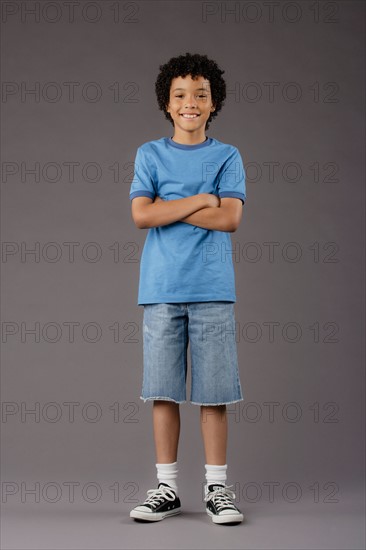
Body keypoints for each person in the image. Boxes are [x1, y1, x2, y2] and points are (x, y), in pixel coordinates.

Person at [128, 52, 246, 525]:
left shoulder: (228, 156)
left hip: (213, 289)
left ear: (213, 103)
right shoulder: (149, 154)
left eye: (200, 94)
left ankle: (217, 487)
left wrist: (168, 204)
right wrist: (200, 199)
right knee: (163, 391)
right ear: (167, 103)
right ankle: (167, 488)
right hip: (160, 288)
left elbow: (231, 218)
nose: (190, 102)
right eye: (181, 95)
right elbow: (141, 215)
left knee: (214, 393)